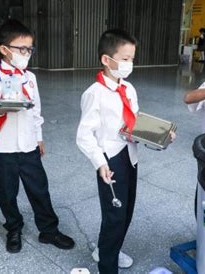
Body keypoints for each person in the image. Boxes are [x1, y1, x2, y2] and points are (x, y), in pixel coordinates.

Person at [0, 19, 75, 253]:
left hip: (29, 145)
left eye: (30, 49)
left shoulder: (30, 77)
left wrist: (39, 137)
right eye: (22, 49)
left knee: (39, 189)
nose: (27, 53)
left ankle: (49, 231)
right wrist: (1, 109)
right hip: (2, 148)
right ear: (4, 49)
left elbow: (36, 110)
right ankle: (13, 228)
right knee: (7, 193)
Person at [76, 29, 141, 273]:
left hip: (130, 157)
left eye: (132, 59)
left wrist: (159, 134)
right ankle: (107, 265)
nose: (129, 64)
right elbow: (84, 135)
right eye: (124, 59)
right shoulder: (94, 94)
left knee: (126, 211)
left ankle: (107, 249)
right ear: (106, 59)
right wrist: (100, 162)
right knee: (114, 215)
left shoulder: (129, 89)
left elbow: (135, 122)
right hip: (110, 161)